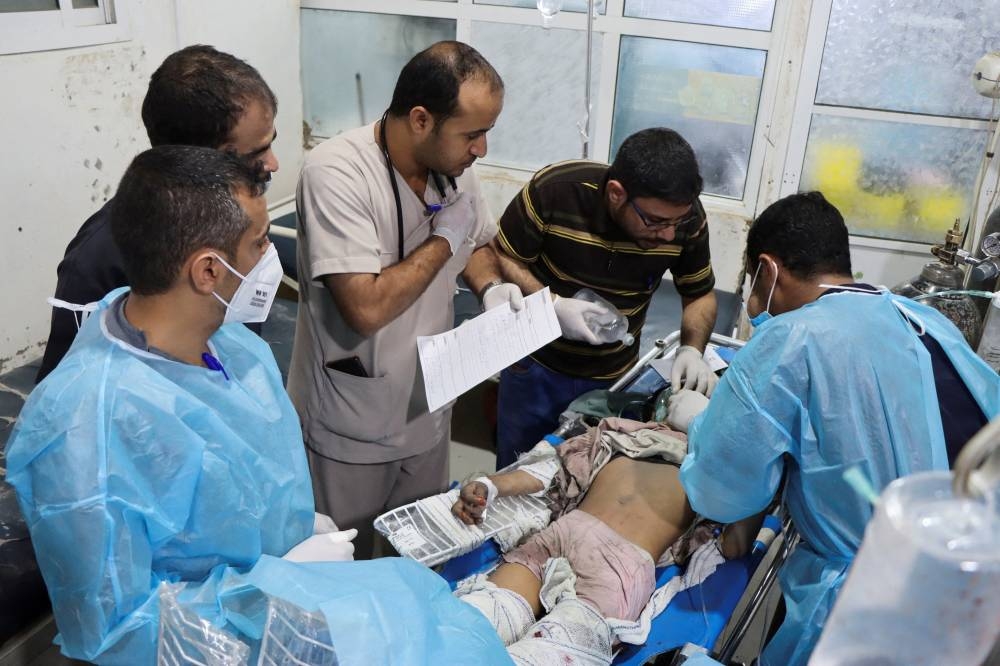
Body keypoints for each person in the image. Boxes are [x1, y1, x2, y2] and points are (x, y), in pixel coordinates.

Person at [4, 146, 354, 665]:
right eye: (259, 243)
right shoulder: (85, 427)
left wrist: (298, 534)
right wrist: (275, 587)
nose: (269, 261)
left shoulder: (236, 348)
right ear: (208, 271)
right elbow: (119, 631)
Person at [668, 191, 1000, 666]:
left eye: (750, 284)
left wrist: (697, 422)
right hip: (980, 582)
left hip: (882, 606)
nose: (753, 300)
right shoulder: (919, 316)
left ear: (767, 270)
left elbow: (724, 490)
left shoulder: (791, 339)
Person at [289, 41, 521, 559]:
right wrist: (442, 239)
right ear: (421, 120)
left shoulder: (453, 167)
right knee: (345, 567)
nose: (481, 149)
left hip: (427, 410)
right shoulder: (336, 173)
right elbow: (364, 307)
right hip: (353, 423)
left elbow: (477, 241)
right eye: (473, 134)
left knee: (415, 556)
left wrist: (490, 288)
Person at [36, 44, 279, 383]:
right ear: (201, 157)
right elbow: (68, 393)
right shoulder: (99, 259)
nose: (273, 164)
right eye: (258, 151)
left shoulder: (240, 226)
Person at [492, 128, 719, 468]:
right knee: (519, 471)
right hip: (536, 367)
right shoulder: (555, 190)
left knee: (589, 477)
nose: (669, 234)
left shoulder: (685, 219)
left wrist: (691, 349)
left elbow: (699, 294)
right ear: (616, 194)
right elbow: (503, 255)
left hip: (614, 378)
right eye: (655, 221)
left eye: (676, 222)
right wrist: (551, 303)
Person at [449, 418, 757, 664]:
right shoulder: (623, 436)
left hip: (620, 565)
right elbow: (547, 473)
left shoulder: (719, 476)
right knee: (473, 620)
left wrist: (752, 473)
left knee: (547, 656)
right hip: (561, 535)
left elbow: (735, 546)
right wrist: (491, 485)